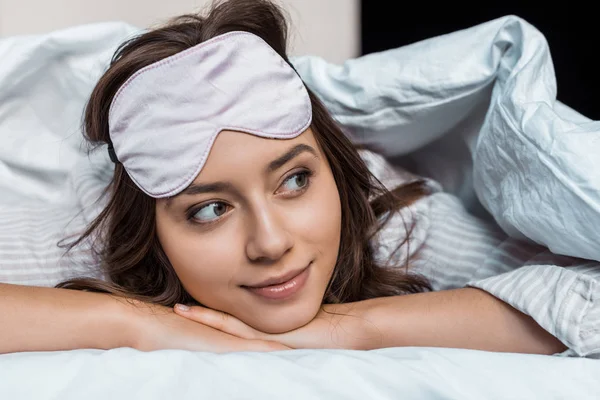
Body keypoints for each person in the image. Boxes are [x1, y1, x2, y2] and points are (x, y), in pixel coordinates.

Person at [1, 0, 598, 357]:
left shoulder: (388, 218)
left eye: (293, 182)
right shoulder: (88, 239)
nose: (271, 243)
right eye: (209, 210)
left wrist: (350, 328)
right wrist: (135, 323)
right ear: (150, 230)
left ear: (333, 170)